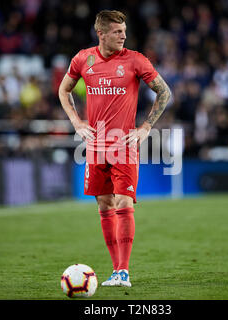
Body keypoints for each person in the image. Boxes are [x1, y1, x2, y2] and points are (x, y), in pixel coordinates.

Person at [58, 10, 171, 287]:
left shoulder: (135, 60)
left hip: (124, 145)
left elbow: (164, 91)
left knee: (124, 202)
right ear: (102, 33)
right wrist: (76, 122)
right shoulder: (83, 59)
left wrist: (145, 127)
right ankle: (115, 271)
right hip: (95, 146)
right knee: (105, 204)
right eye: (118, 31)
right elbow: (64, 90)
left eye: (124, 30)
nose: (124, 35)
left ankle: (123, 272)